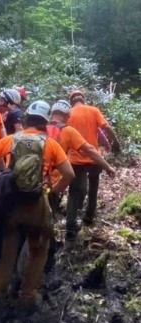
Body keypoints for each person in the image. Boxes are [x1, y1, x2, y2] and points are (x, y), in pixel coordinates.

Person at [0, 100, 74, 323]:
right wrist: (52, 192)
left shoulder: (11, 139)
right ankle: (27, 297)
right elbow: (68, 174)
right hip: (37, 203)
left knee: (2, 260)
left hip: (10, 205)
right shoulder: (50, 143)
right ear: (46, 122)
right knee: (38, 250)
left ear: (27, 119)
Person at [48, 100, 115, 223]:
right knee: (80, 189)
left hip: (31, 180)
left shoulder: (38, 128)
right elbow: (91, 147)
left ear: (51, 113)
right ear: (67, 116)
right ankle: (80, 221)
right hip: (52, 181)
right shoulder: (68, 130)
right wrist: (107, 166)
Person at [66, 88, 120, 229]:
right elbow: (106, 127)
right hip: (94, 158)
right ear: (83, 99)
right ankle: (89, 216)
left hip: (75, 158)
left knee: (74, 191)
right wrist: (115, 142)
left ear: (71, 102)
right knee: (94, 185)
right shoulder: (93, 110)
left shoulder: (68, 113)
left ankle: (70, 225)